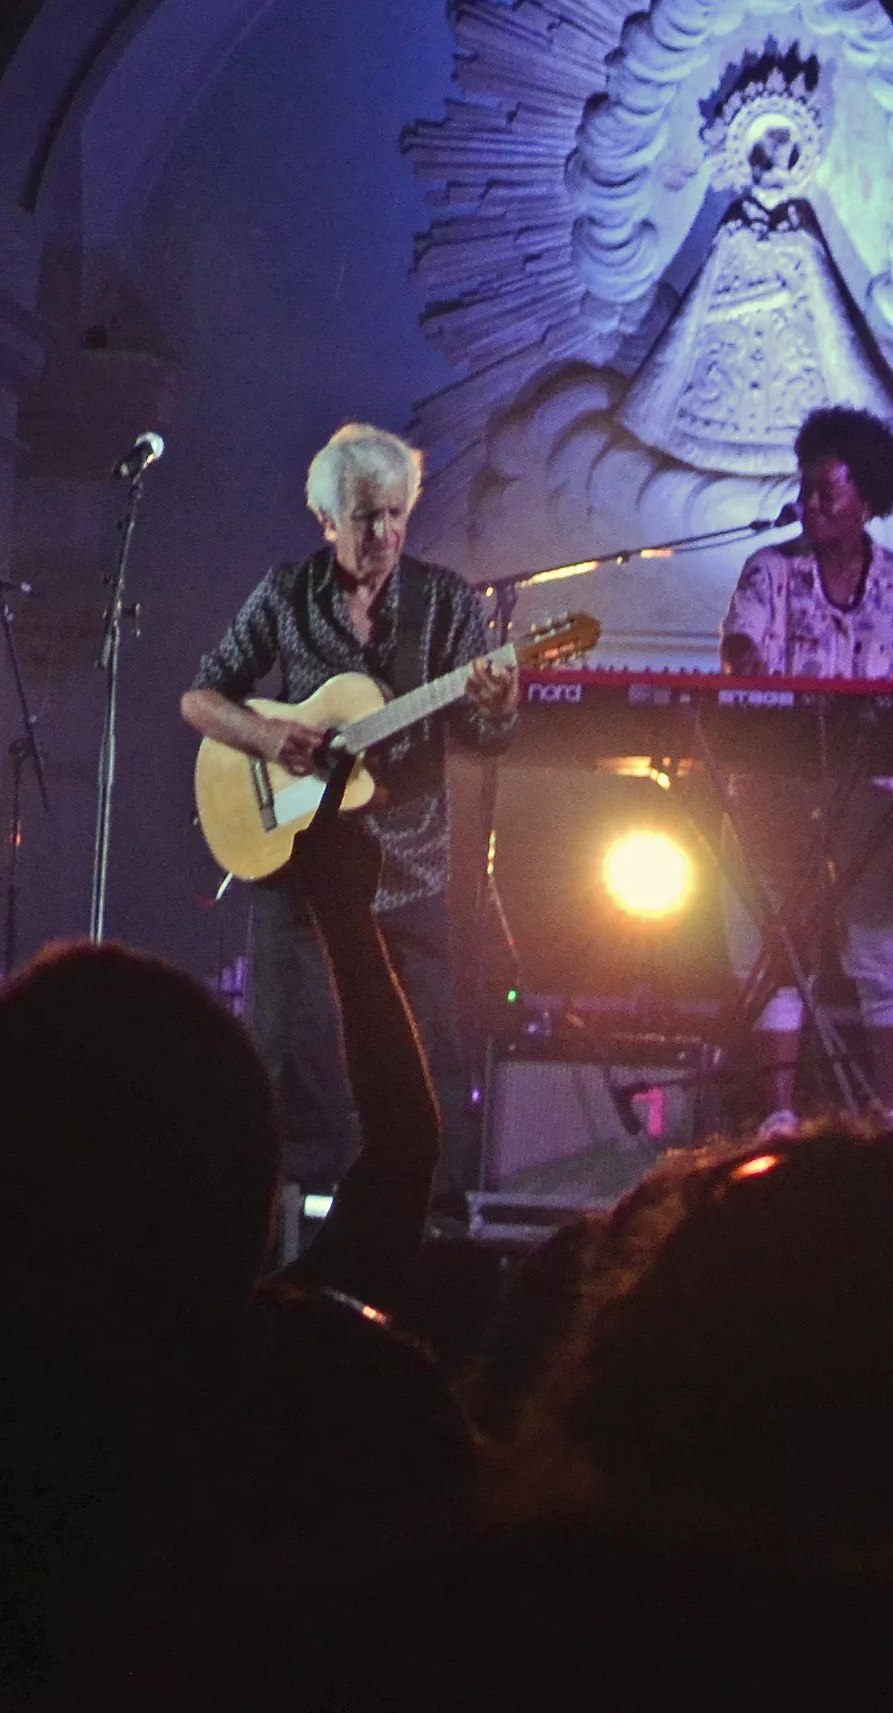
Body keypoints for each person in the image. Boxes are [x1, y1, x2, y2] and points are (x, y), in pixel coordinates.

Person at [179, 421, 518, 1263]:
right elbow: (202, 698)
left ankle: (433, 1242)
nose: (385, 533)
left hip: (409, 866)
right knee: (285, 1059)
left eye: (397, 513)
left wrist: (501, 706)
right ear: (328, 518)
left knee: (430, 1059)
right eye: (367, 516)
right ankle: (273, 1247)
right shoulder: (286, 594)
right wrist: (269, 738)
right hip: (301, 866)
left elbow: (485, 737)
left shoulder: (449, 605)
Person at [713, 403, 893, 1123]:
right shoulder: (770, 571)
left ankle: (888, 1116)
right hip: (777, 787)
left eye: (827, 492)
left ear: (865, 500)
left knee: (890, 950)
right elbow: (741, 649)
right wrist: (747, 661)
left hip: (873, 793)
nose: (809, 504)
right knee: (769, 941)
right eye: (805, 488)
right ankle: (778, 1118)